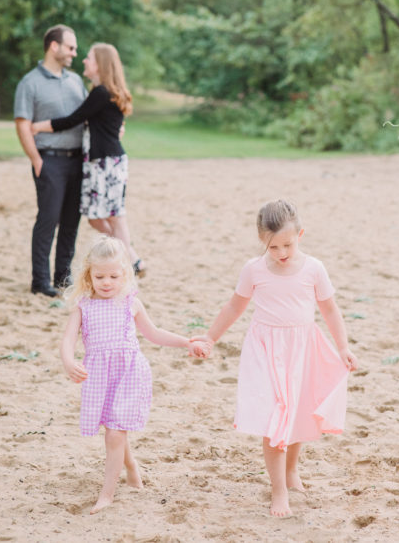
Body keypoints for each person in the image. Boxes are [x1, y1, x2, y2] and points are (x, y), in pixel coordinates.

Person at [190, 199, 358, 517]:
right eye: (273, 247)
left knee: (296, 414)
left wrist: (344, 346)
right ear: (262, 242)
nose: (281, 253)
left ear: (301, 235)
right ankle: (278, 489)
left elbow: (330, 309)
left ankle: (291, 470)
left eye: (288, 245)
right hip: (265, 349)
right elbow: (234, 307)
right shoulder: (253, 270)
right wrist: (210, 337)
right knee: (275, 418)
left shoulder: (314, 269)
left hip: (302, 347)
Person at [59, 235, 195, 514]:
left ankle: (107, 494)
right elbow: (68, 339)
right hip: (98, 375)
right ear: (89, 274)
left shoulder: (130, 302)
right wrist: (68, 361)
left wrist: (186, 341)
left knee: (114, 433)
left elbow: (154, 333)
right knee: (113, 429)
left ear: (125, 274)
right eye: (99, 276)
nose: (106, 282)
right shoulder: (83, 305)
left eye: (113, 276)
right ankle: (131, 467)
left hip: (129, 373)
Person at [31, 43, 146, 276]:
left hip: (107, 163)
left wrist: (40, 126)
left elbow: (74, 118)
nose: (84, 60)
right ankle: (131, 258)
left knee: (114, 216)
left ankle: (130, 262)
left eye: (90, 58)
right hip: (100, 163)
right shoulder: (101, 93)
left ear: (100, 64)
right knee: (96, 218)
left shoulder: (102, 92)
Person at [14, 24, 87, 297]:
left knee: (71, 222)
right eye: (71, 47)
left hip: (78, 161)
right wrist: (36, 159)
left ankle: (63, 279)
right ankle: (40, 282)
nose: (75, 53)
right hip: (50, 161)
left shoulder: (75, 81)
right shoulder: (29, 83)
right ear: (54, 46)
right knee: (48, 221)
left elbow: (86, 116)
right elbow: (23, 124)